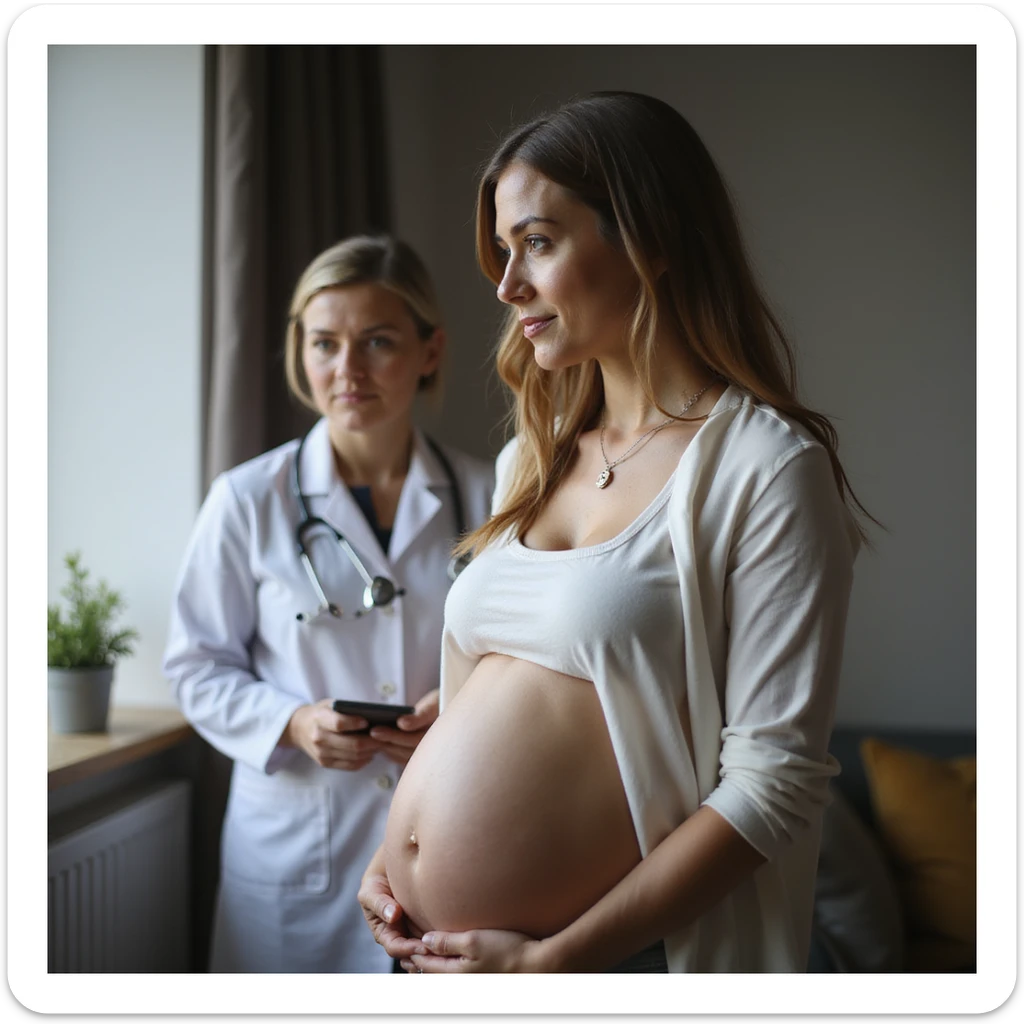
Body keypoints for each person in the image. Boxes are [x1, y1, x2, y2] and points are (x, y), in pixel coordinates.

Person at [357, 92, 872, 974]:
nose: (506, 285)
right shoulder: (535, 454)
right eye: (504, 251)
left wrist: (548, 962)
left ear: (651, 238)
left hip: (614, 963)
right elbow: (541, 685)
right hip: (431, 956)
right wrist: (390, 858)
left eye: (538, 243)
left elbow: (773, 785)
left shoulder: (767, 469)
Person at [162, 234, 495, 973]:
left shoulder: (492, 495)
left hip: (445, 838)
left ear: (430, 349)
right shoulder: (247, 500)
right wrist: (290, 721)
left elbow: (525, 659)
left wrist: (464, 704)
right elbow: (194, 665)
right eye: (324, 343)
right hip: (292, 854)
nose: (346, 370)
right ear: (299, 351)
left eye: (377, 341)